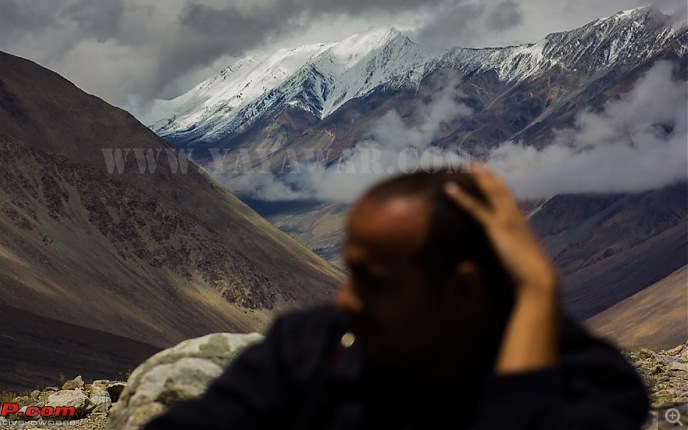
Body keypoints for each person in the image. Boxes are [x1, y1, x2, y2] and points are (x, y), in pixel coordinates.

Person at [145, 165, 649, 429]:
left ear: (463, 290)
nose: (345, 300)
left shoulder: (589, 383)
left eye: (376, 282)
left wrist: (537, 294)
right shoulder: (308, 350)